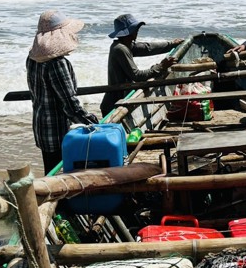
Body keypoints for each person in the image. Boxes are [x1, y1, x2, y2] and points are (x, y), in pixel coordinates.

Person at [25, 10, 99, 175]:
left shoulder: (32, 58)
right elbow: (69, 104)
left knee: (50, 172)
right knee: (63, 175)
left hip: (42, 126)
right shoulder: (57, 63)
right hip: (58, 131)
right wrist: (93, 123)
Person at [100, 14, 183, 116]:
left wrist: (170, 44)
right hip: (114, 104)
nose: (137, 30)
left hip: (121, 99)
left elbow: (147, 47)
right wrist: (161, 66)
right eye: (136, 28)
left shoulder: (127, 45)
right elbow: (137, 76)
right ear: (129, 31)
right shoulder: (120, 49)